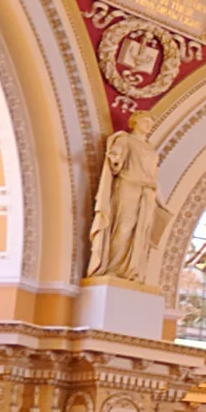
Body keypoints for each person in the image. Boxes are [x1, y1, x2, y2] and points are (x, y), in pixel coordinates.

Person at [87, 111, 162, 283]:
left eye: (151, 123)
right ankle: (113, 267)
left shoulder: (150, 149)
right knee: (124, 226)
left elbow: (153, 176)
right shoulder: (125, 139)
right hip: (129, 186)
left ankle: (132, 271)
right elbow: (116, 160)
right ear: (134, 122)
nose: (149, 126)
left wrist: (161, 202)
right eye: (145, 121)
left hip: (147, 192)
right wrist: (115, 157)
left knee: (141, 232)